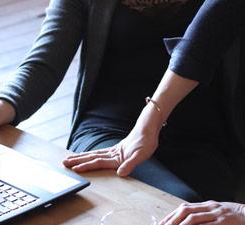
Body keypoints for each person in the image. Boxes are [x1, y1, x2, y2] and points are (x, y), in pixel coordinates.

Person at [0, 0, 241, 204]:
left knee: (185, 206)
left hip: (204, 141)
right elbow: (45, 59)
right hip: (108, 132)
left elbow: (198, 49)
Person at [64, 0, 245, 224]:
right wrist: (151, 120)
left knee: (183, 207)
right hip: (114, 130)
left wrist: (241, 211)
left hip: (204, 143)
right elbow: (206, 38)